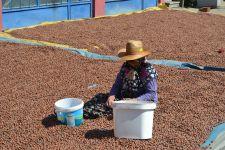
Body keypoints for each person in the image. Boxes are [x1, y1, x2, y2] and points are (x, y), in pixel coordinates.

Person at [83, 40, 158, 119]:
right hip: (125, 96)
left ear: (140, 58)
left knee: (109, 107)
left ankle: (114, 113)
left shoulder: (148, 71)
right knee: (99, 97)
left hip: (142, 101)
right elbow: (117, 84)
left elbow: (151, 93)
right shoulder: (126, 66)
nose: (130, 62)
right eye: (129, 60)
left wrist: (135, 101)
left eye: (133, 60)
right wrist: (111, 96)